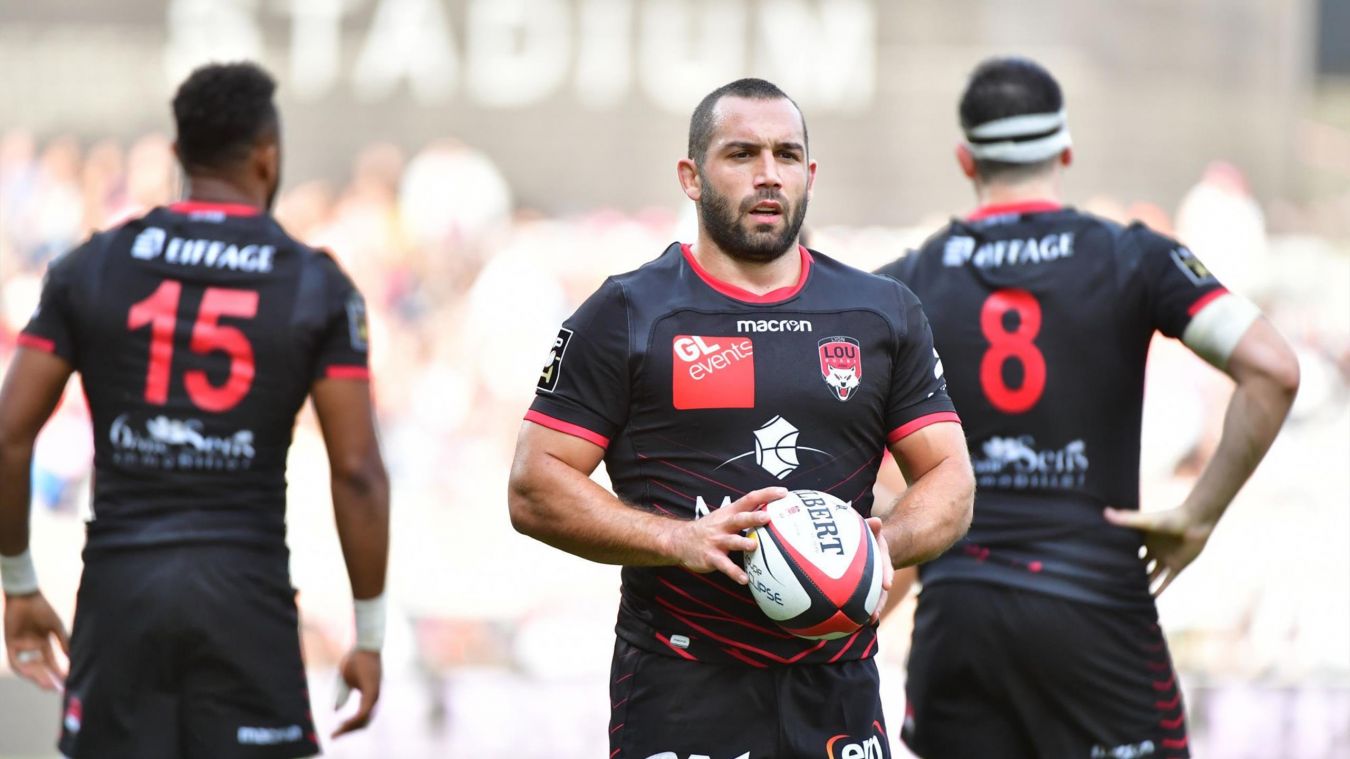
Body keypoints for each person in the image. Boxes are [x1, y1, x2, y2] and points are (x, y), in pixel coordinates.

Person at [508, 77, 974, 758]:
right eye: (741, 154)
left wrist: (873, 552)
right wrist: (681, 540)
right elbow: (533, 484)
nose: (767, 175)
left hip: (836, 689)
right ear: (691, 177)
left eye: (786, 155)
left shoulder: (881, 312)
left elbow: (951, 480)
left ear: (809, 174)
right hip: (682, 687)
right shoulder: (628, 313)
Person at [876, 56, 1300, 759]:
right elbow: (1275, 369)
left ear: (964, 159)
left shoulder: (904, 284)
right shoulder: (1132, 256)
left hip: (958, 616)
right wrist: (1197, 517)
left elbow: (864, 465)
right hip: (1095, 607)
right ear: (1065, 150)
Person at [0, 62, 390, 758]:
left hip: (120, 594)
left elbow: (7, 435)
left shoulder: (91, 265)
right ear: (268, 155)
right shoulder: (315, 284)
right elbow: (357, 468)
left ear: (179, 156)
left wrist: (20, 585)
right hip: (244, 596)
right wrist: (368, 631)